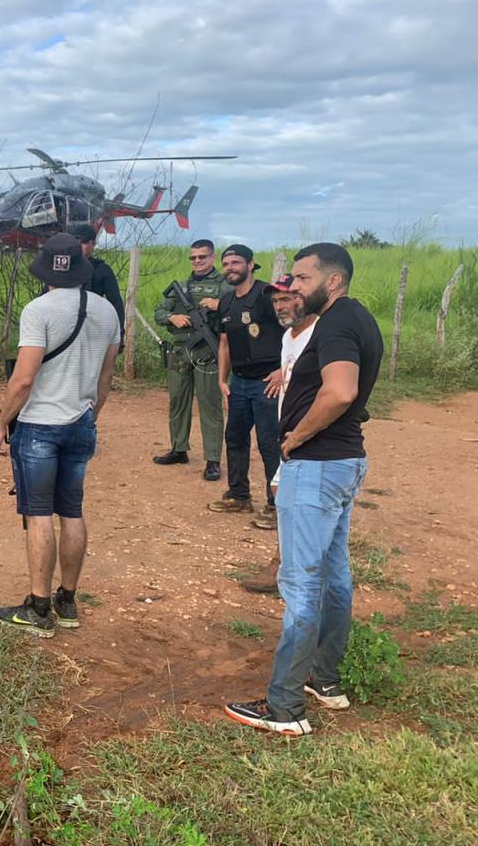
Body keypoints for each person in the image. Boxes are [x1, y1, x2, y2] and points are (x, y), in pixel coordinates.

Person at [226, 243, 383, 735]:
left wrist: (296, 435)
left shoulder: (336, 323)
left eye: (301, 278)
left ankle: (286, 706)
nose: (292, 286)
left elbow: (340, 391)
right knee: (334, 574)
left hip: (317, 465)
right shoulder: (358, 319)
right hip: (343, 461)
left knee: (301, 583)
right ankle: (325, 680)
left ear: (332, 281)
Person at [0, 234, 120, 637]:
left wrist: (0, 421)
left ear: (45, 269)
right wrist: (89, 413)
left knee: (39, 513)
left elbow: (24, 379)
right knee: (72, 511)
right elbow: (107, 376)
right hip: (81, 420)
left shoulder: (38, 309)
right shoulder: (107, 311)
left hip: (40, 424)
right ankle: (67, 600)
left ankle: (39, 608)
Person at [240, 274, 318, 594]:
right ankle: (286, 563)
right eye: (275, 301)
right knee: (281, 494)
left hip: (307, 436)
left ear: (304, 298)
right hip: (290, 432)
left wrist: (300, 434)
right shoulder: (289, 337)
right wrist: (281, 371)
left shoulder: (319, 335)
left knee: (298, 503)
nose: (280, 306)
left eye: (287, 298)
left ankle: (290, 569)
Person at [208, 245, 284, 523]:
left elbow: (295, 332)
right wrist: (221, 379)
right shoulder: (227, 302)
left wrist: (282, 370)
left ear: (251, 265)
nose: (230, 267)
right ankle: (239, 496)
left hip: (268, 383)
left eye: (236, 262)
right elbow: (225, 343)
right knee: (235, 439)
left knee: (269, 444)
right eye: (226, 263)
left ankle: (277, 506)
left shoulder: (267, 296)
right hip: (239, 383)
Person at [152, 238, 230, 480]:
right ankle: (178, 448)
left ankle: (213, 460)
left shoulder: (224, 285)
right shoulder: (182, 286)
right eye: (193, 257)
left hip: (208, 352)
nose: (197, 261)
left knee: (210, 404)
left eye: (202, 257)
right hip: (180, 350)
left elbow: (237, 309)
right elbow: (159, 312)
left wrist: (219, 305)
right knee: (178, 400)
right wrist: (172, 318)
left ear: (212, 258)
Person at [69, 223, 124, 343]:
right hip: (65, 327)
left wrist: (119, 333)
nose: (78, 246)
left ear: (93, 244)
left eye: (82, 242)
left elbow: (115, 302)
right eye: (75, 242)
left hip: (92, 328)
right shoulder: (63, 267)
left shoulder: (102, 270)